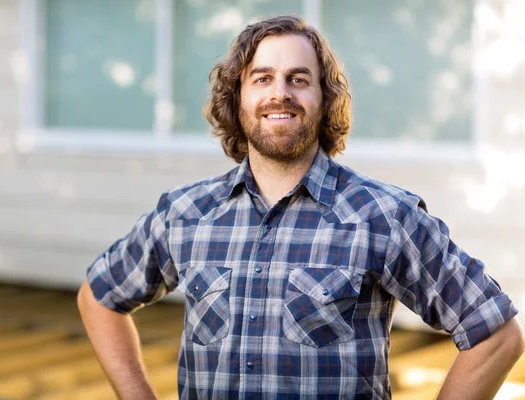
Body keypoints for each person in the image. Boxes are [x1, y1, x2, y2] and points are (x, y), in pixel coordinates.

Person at [77, 15, 524, 399]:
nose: (280, 93)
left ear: (324, 100)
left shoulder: (384, 216)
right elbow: (99, 297)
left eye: (299, 79)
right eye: (262, 78)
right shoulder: (184, 213)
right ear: (238, 98)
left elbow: (497, 334)